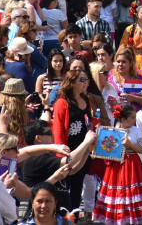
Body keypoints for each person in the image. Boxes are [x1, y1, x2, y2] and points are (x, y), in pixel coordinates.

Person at [93, 104, 142, 225]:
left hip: (132, 164)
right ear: (123, 119)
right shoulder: (114, 129)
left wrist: (129, 144)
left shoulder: (136, 130)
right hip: (116, 166)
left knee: (133, 193)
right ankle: (119, 218)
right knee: (118, 192)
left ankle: (132, 218)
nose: (135, 120)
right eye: (133, 117)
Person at [51, 68, 93, 213]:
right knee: (65, 188)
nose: (86, 83)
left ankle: (74, 218)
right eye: (82, 80)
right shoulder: (62, 102)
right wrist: (61, 156)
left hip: (84, 149)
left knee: (78, 185)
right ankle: (64, 217)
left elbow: (89, 121)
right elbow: (58, 131)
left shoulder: (86, 99)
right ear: (72, 82)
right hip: (68, 151)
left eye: (86, 79)